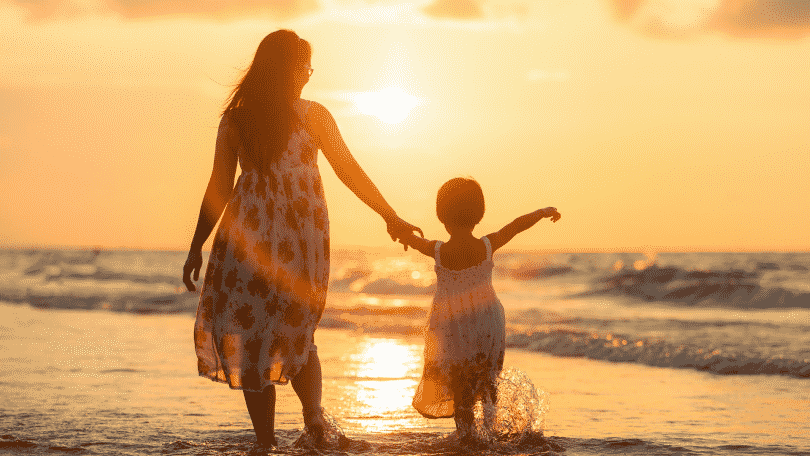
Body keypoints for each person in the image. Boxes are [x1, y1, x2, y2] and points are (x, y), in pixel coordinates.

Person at [181, 29, 422, 449]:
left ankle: (265, 443)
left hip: (248, 242)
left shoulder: (237, 119)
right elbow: (348, 170)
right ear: (289, 69)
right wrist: (390, 216)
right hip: (299, 241)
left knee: (255, 337)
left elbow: (219, 188)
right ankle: (312, 423)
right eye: (305, 66)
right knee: (298, 332)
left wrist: (197, 246)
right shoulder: (311, 115)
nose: (309, 75)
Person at [396, 177, 560, 441]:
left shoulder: (438, 249)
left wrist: (399, 231)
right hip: (487, 322)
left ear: (441, 216)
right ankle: (490, 432)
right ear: (479, 215)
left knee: (461, 384)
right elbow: (515, 226)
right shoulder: (486, 245)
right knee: (487, 380)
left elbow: (412, 240)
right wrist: (542, 213)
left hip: (453, 327)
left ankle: (466, 436)